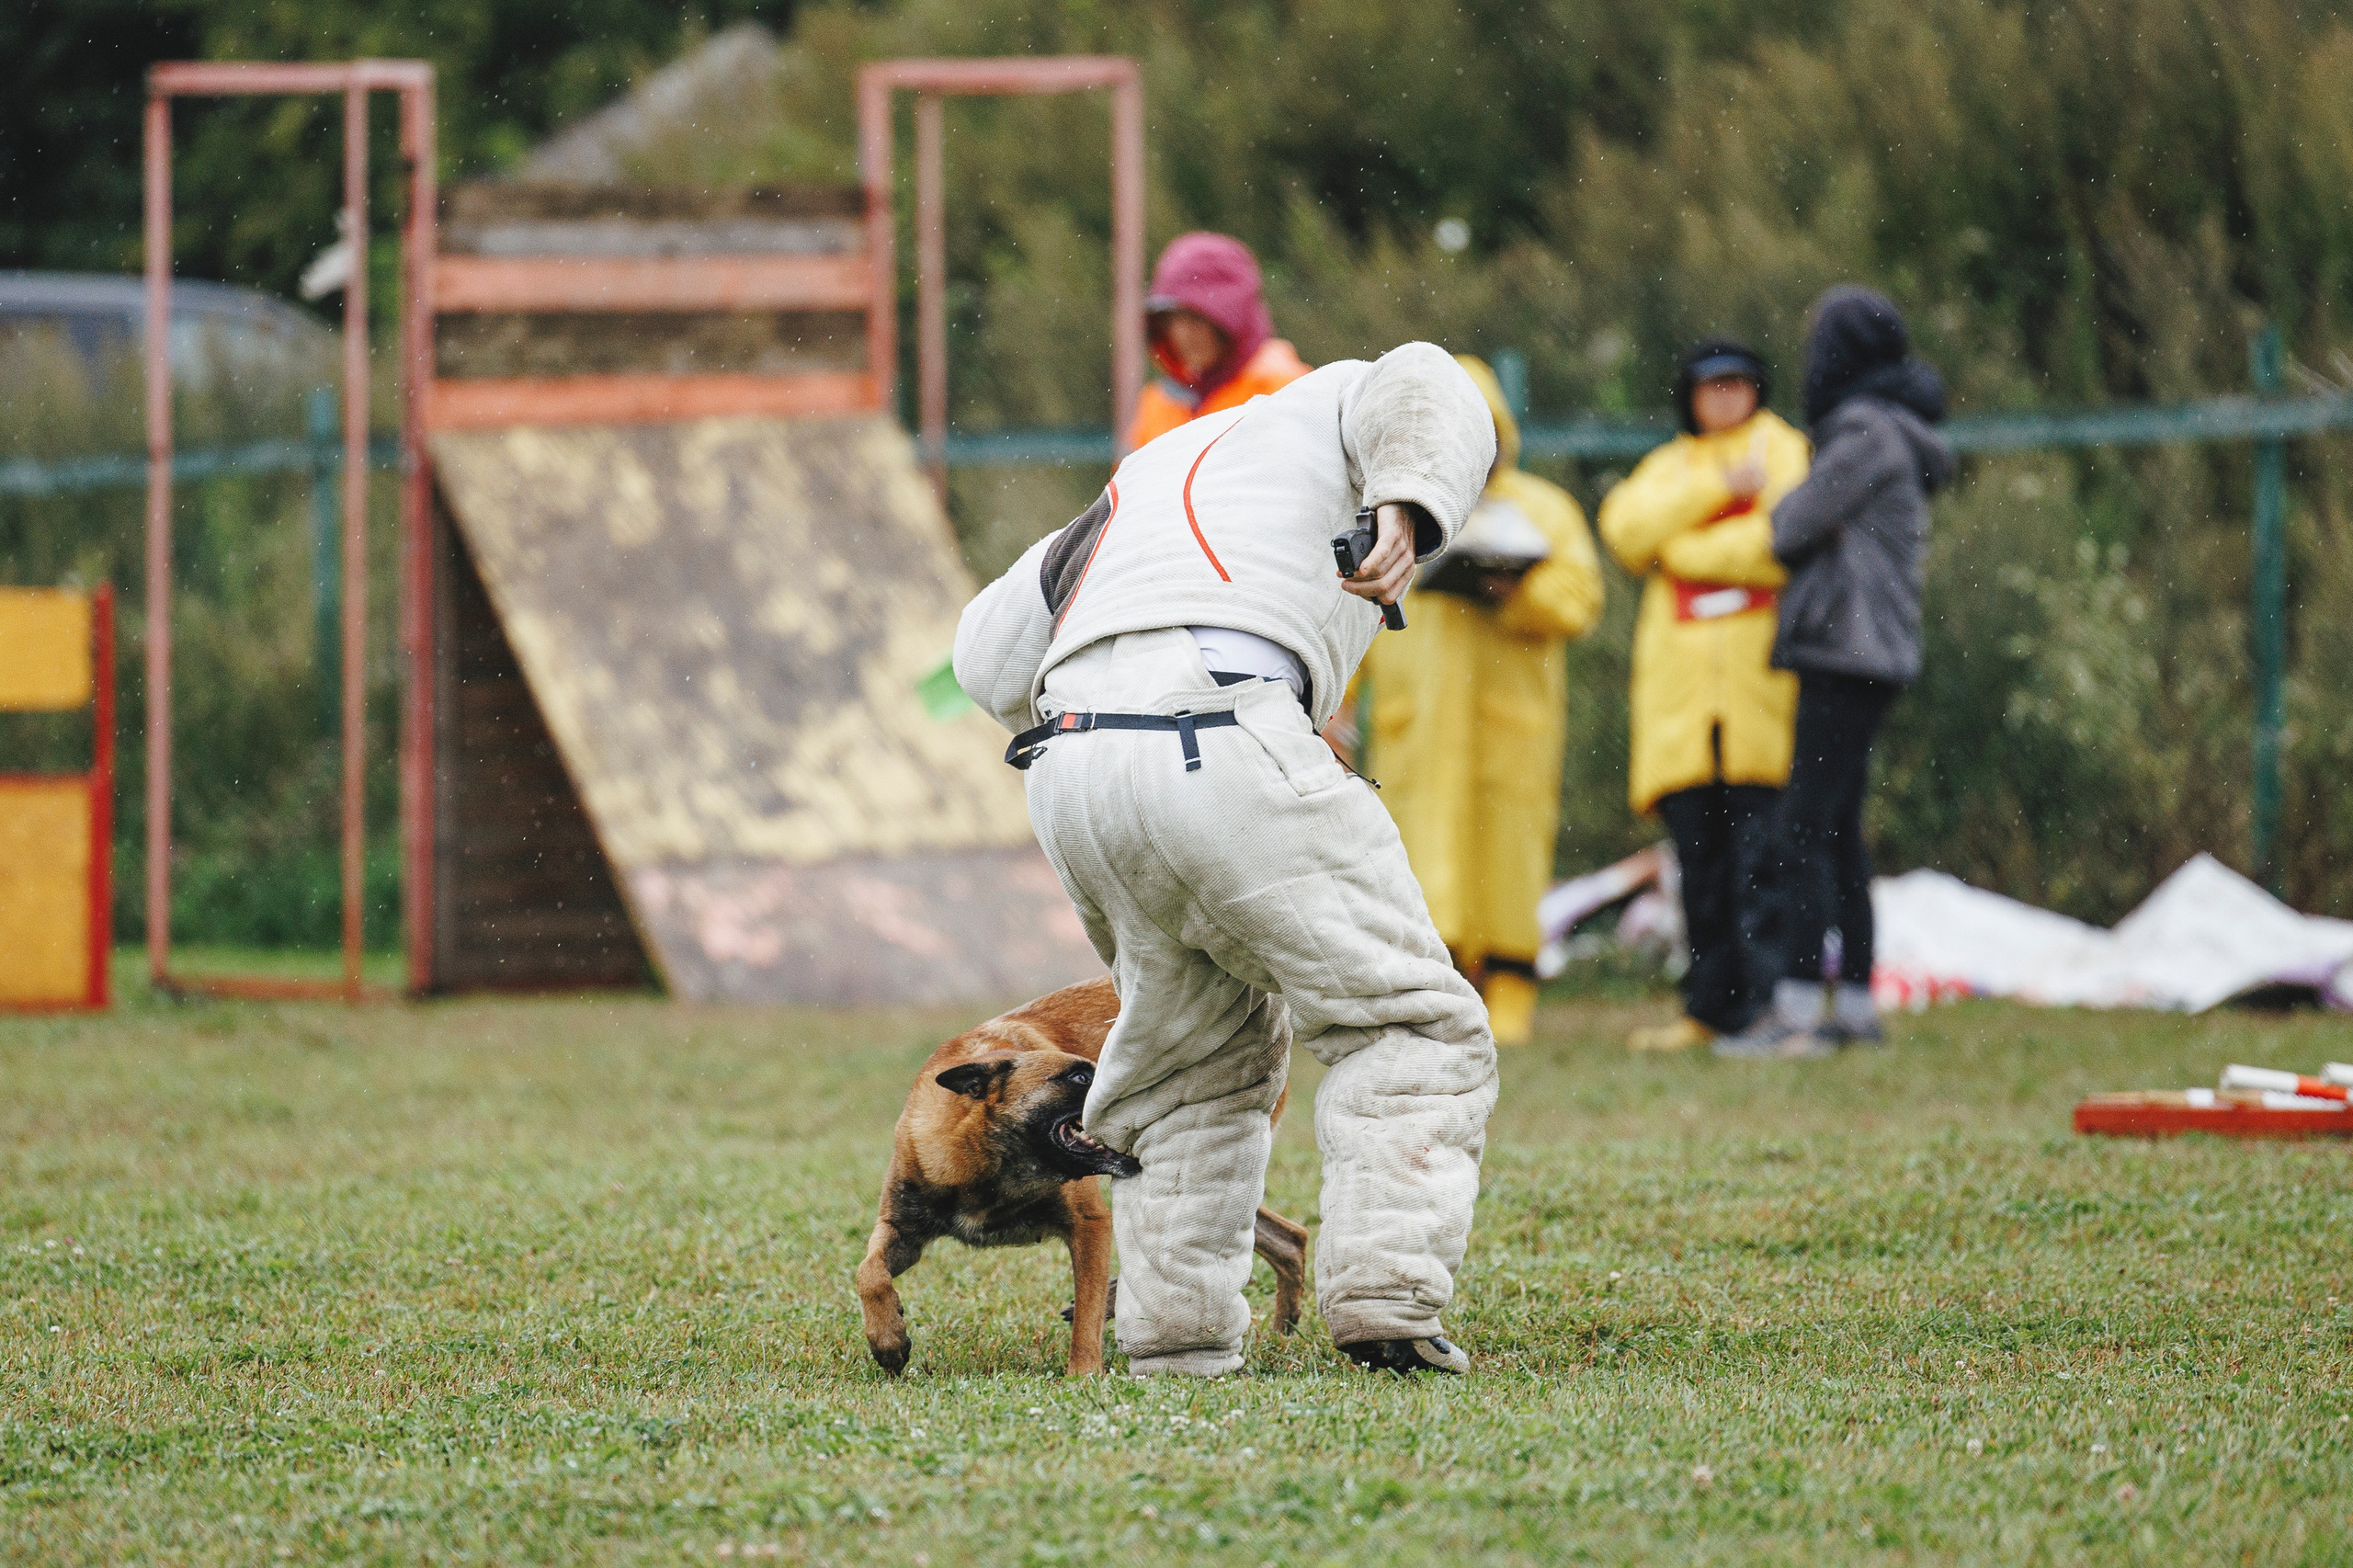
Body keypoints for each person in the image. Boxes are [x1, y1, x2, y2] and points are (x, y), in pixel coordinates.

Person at [955, 343, 1497, 1377]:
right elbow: (1427, 377)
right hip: (1227, 727)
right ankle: (1384, 1295)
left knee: (1182, 1061)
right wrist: (1412, 503)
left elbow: (983, 655)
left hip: (1071, 766)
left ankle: (1174, 1333)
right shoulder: (1338, 398)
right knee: (1411, 1019)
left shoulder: (1135, 481)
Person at [1715, 288, 1954, 1059]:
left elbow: (1787, 526)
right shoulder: (1898, 434)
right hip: (1874, 653)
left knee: (1802, 829)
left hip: (1842, 650)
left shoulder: (1862, 436)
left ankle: (1794, 1013)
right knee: (1841, 833)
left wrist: (1769, 497)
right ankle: (1853, 1003)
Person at [1350, 355, 1605, 1047]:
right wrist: (1336, 707)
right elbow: (1350, 617)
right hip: (1418, 728)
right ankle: (1434, 993)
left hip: (1507, 729)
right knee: (1417, 863)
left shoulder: (1543, 509)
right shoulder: (1389, 515)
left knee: (1509, 857)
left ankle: (1513, 990)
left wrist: (1516, 591)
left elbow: (1582, 599)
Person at [1597, 340, 1810, 1052]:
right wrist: (1720, 492)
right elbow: (1626, 529)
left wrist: (1680, 552)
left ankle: (1766, 1004)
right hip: (1684, 706)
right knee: (1700, 865)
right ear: (1688, 395)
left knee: (1763, 860)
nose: (1723, 399)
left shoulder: (1783, 450)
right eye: (1709, 386)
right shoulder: (1671, 465)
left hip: (1757, 694)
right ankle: (1708, 1009)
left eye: (1737, 385)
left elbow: (1776, 543)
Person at [1127, 233, 1313, 449]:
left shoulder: (1286, 393)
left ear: (1232, 317)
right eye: (1170, 319)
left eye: (1195, 317)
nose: (1182, 333)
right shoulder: (1159, 403)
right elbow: (1128, 481)